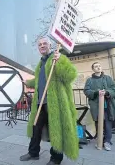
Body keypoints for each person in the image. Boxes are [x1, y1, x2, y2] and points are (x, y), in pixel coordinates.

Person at [20, 37, 79, 165]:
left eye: (44, 43)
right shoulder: (41, 63)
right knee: (35, 129)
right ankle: (33, 152)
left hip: (55, 103)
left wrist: (59, 62)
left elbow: (71, 75)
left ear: (50, 45)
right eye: (40, 44)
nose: (42, 46)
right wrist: (27, 82)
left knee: (56, 130)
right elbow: (38, 81)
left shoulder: (59, 58)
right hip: (40, 103)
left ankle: (56, 158)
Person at [84, 62, 115, 151]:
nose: (98, 68)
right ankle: (100, 140)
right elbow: (86, 91)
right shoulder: (89, 80)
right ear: (93, 69)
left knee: (108, 123)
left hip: (107, 105)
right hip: (96, 106)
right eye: (96, 67)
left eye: (99, 66)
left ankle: (107, 141)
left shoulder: (108, 78)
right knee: (98, 123)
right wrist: (96, 92)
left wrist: (107, 92)